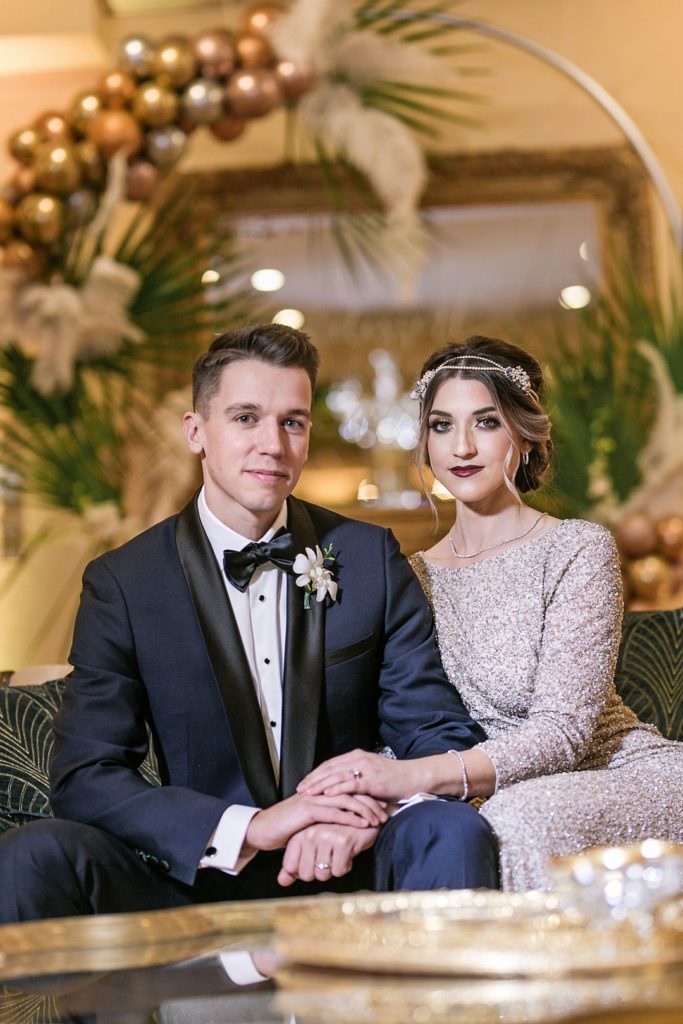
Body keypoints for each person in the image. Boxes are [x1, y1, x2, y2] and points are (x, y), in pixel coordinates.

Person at [0, 324, 498, 923]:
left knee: (450, 829)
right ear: (196, 432)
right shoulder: (125, 583)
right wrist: (254, 828)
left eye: (293, 421)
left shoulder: (369, 559)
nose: (273, 444)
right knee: (35, 856)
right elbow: (88, 774)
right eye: (245, 418)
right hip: (199, 877)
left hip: (352, 860)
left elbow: (434, 732)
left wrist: (369, 807)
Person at [299, 334, 683, 891]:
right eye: (441, 425)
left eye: (485, 422)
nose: (461, 448)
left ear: (524, 439)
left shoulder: (576, 548)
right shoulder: (409, 576)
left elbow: (565, 731)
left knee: (514, 820)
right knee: (468, 823)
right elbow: (412, 718)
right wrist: (359, 795)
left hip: (616, 774)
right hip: (496, 789)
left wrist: (415, 776)